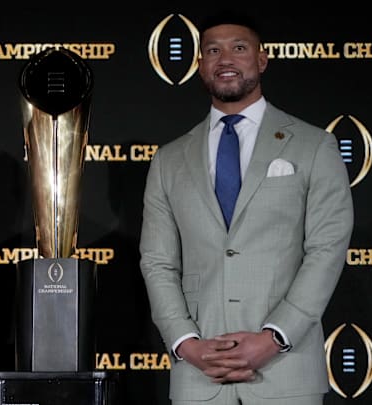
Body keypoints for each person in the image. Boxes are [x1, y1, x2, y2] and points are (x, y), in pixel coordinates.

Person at [138, 10, 354, 405]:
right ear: (200, 65)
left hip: (285, 373)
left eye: (239, 48)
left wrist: (275, 338)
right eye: (212, 50)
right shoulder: (169, 159)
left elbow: (326, 250)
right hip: (199, 377)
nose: (225, 60)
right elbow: (157, 262)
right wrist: (186, 344)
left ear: (262, 59)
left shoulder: (313, 145)